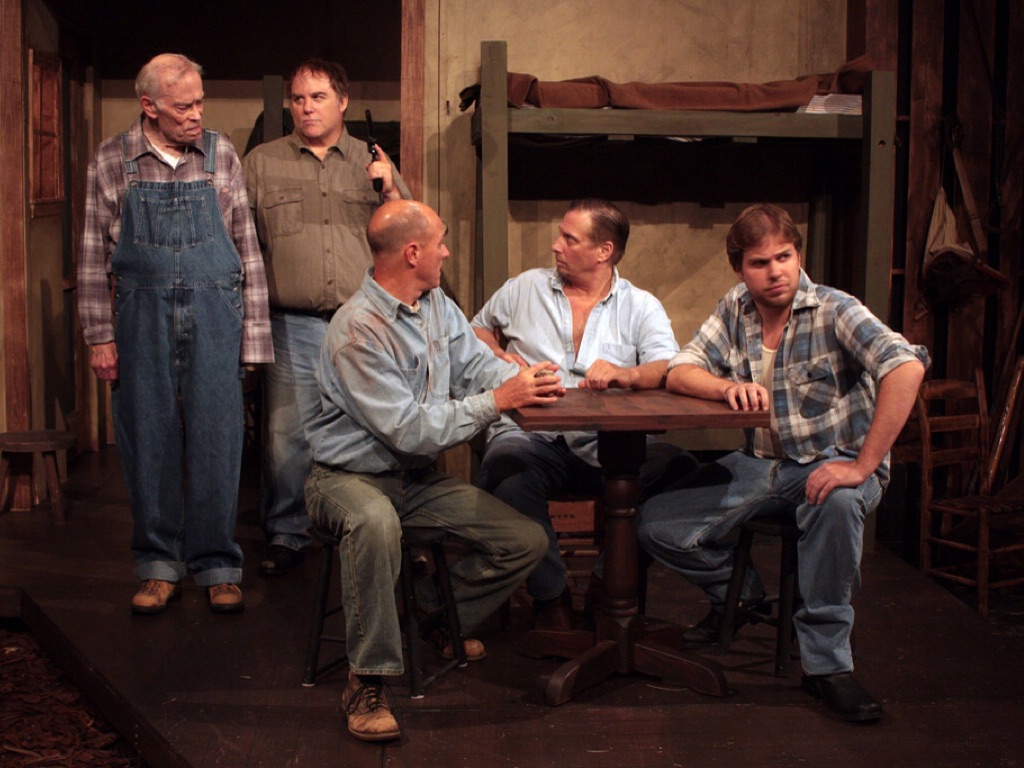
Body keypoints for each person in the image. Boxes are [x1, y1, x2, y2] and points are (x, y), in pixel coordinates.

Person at [638, 203, 929, 723]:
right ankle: (741, 597)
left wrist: (863, 465)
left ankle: (827, 667)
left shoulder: (835, 309)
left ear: (798, 255)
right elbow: (681, 368)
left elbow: (905, 366)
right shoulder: (736, 308)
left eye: (784, 256)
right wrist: (726, 387)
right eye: (759, 262)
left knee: (837, 502)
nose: (775, 271)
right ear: (739, 269)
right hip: (760, 463)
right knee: (655, 523)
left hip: (831, 459)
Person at [304, 199, 551, 742]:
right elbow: (410, 430)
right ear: (412, 253)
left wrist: (525, 379)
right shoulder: (357, 330)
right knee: (374, 522)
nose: (446, 251)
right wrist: (498, 402)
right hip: (346, 478)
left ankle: (434, 612)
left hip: (411, 480)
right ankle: (367, 681)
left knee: (525, 540)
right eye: (440, 242)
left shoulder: (435, 303)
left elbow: (475, 365)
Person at [78, 53, 273, 615]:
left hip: (215, 311)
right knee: (148, 436)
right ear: (149, 106)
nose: (196, 114)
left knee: (218, 437)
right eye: (183, 106)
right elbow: (91, 254)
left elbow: (246, 248)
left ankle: (216, 564)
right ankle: (158, 565)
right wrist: (98, 336)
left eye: (199, 103)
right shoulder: (112, 160)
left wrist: (254, 339)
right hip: (141, 315)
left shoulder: (220, 154)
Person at [471, 198, 696, 630]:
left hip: (604, 442)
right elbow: (477, 329)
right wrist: (500, 355)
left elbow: (667, 365)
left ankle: (608, 583)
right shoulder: (525, 288)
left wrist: (627, 374)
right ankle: (551, 596)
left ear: (603, 251)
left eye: (569, 239)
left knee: (679, 469)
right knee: (505, 470)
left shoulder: (640, 306)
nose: (555, 245)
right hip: (533, 437)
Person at [243, 58, 411, 578]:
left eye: (317, 97)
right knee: (285, 433)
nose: (306, 108)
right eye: (298, 98)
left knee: (368, 425)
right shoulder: (261, 163)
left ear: (342, 101)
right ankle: (288, 531)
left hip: (362, 325)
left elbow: (411, 235)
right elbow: (241, 244)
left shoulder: (372, 160)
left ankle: (364, 525)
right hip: (289, 323)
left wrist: (390, 191)